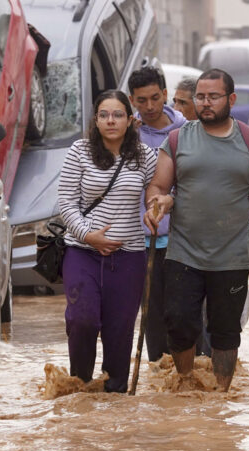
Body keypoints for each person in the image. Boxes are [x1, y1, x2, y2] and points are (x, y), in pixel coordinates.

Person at [144, 68, 249, 392]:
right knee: (178, 323)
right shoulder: (178, 139)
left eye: (213, 97)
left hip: (232, 256)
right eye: (201, 97)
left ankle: (221, 395)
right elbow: (158, 186)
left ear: (231, 99)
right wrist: (158, 204)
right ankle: (185, 384)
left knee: (225, 331)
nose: (205, 103)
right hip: (183, 253)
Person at [58, 90, 157, 393]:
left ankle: (114, 397)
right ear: (96, 119)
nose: (110, 121)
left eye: (117, 115)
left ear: (130, 120)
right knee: (82, 319)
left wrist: (155, 209)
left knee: (120, 330)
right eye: (104, 115)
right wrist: (89, 235)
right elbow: (66, 203)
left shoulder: (145, 156)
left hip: (128, 258)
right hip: (82, 252)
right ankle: (81, 386)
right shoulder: (80, 151)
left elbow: (160, 192)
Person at [128, 66, 186, 363]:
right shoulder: (127, 135)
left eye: (154, 98)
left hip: (182, 240)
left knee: (182, 313)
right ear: (132, 100)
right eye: (141, 100)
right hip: (141, 241)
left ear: (165, 94)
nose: (149, 107)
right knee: (150, 316)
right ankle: (159, 378)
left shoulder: (185, 131)